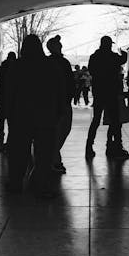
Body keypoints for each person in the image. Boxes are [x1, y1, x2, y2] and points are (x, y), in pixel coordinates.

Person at [1, 34, 63, 197]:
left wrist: (9, 114)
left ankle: (16, 182)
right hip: (45, 116)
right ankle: (41, 184)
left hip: (22, 116)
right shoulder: (50, 66)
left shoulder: (17, 66)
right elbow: (59, 91)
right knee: (44, 154)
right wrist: (58, 113)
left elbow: (9, 92)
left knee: (19, 152)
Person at [86, 36, 128, 159]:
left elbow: (92, 71)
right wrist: (123, 52)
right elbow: (123, 59)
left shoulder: (94, 57)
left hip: (99, 92)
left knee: (96, 120)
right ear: (109, 44)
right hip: (111, 92)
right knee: (115, 120)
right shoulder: (113, 56)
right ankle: (115, 146)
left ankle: (89, 146)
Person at [46, 35, 75, 173]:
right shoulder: (63, 63)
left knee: (57, 130)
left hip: (53, 101)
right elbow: (69, 82)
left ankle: (52, 157)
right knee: (63, 129)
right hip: (62, 101)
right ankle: (54, 158)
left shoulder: (49, 62)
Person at [0, 51, 17, 150]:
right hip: (14, 96)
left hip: (3, 95)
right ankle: (11, 137)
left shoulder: (2, 68)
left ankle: (1, 134)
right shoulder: (16, 68)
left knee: (2, 116)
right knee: (12, 118)